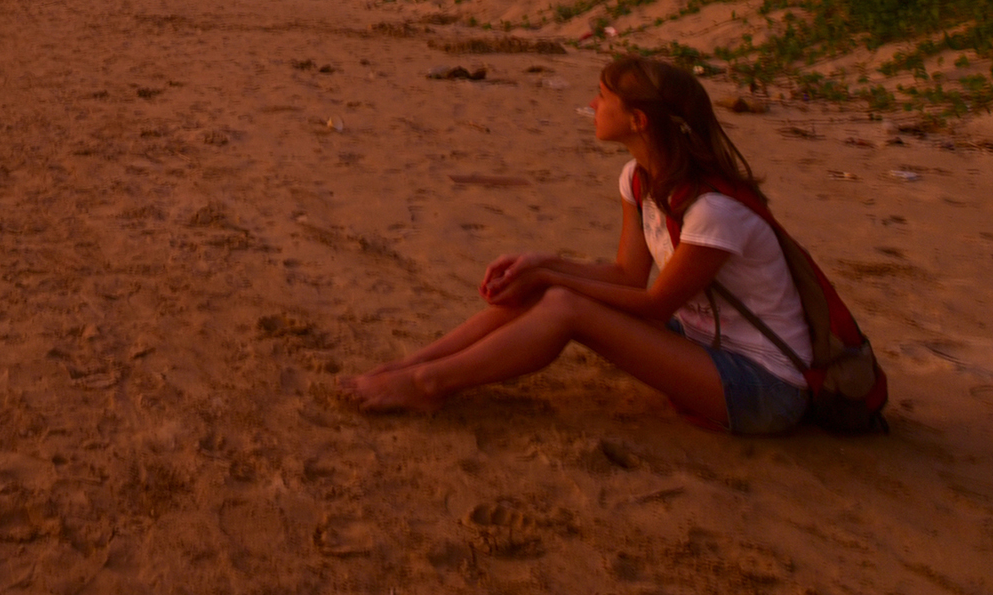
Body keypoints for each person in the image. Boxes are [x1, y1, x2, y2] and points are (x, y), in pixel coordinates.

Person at [342, 57, 811, 436]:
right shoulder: (639, 178)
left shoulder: (714, 211)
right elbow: (627, 275)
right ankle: (416, 363)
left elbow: (655, 301)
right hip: (703, 345)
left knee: (566, 306)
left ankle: (429, 384)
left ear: (638, 119)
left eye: (603, 97)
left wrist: (553, 278)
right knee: (542, 291)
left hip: (763, 387)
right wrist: (541, 265)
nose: (592, 104)